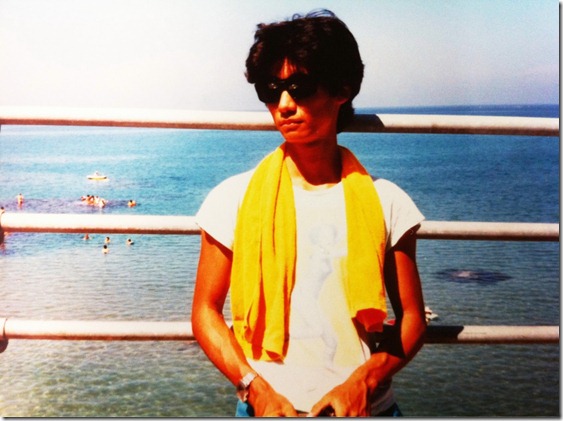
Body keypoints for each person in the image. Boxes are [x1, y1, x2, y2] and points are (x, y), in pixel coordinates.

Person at [192, 9, 426, 417]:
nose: (284, 105)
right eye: (271, 90)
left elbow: (412, 319)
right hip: (267, 410)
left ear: (341, 90)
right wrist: (254, 389)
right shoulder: (233, 199)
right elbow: (204, 313)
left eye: (300, 87)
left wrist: (362, 382)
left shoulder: (386, 201)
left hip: (365, 410)